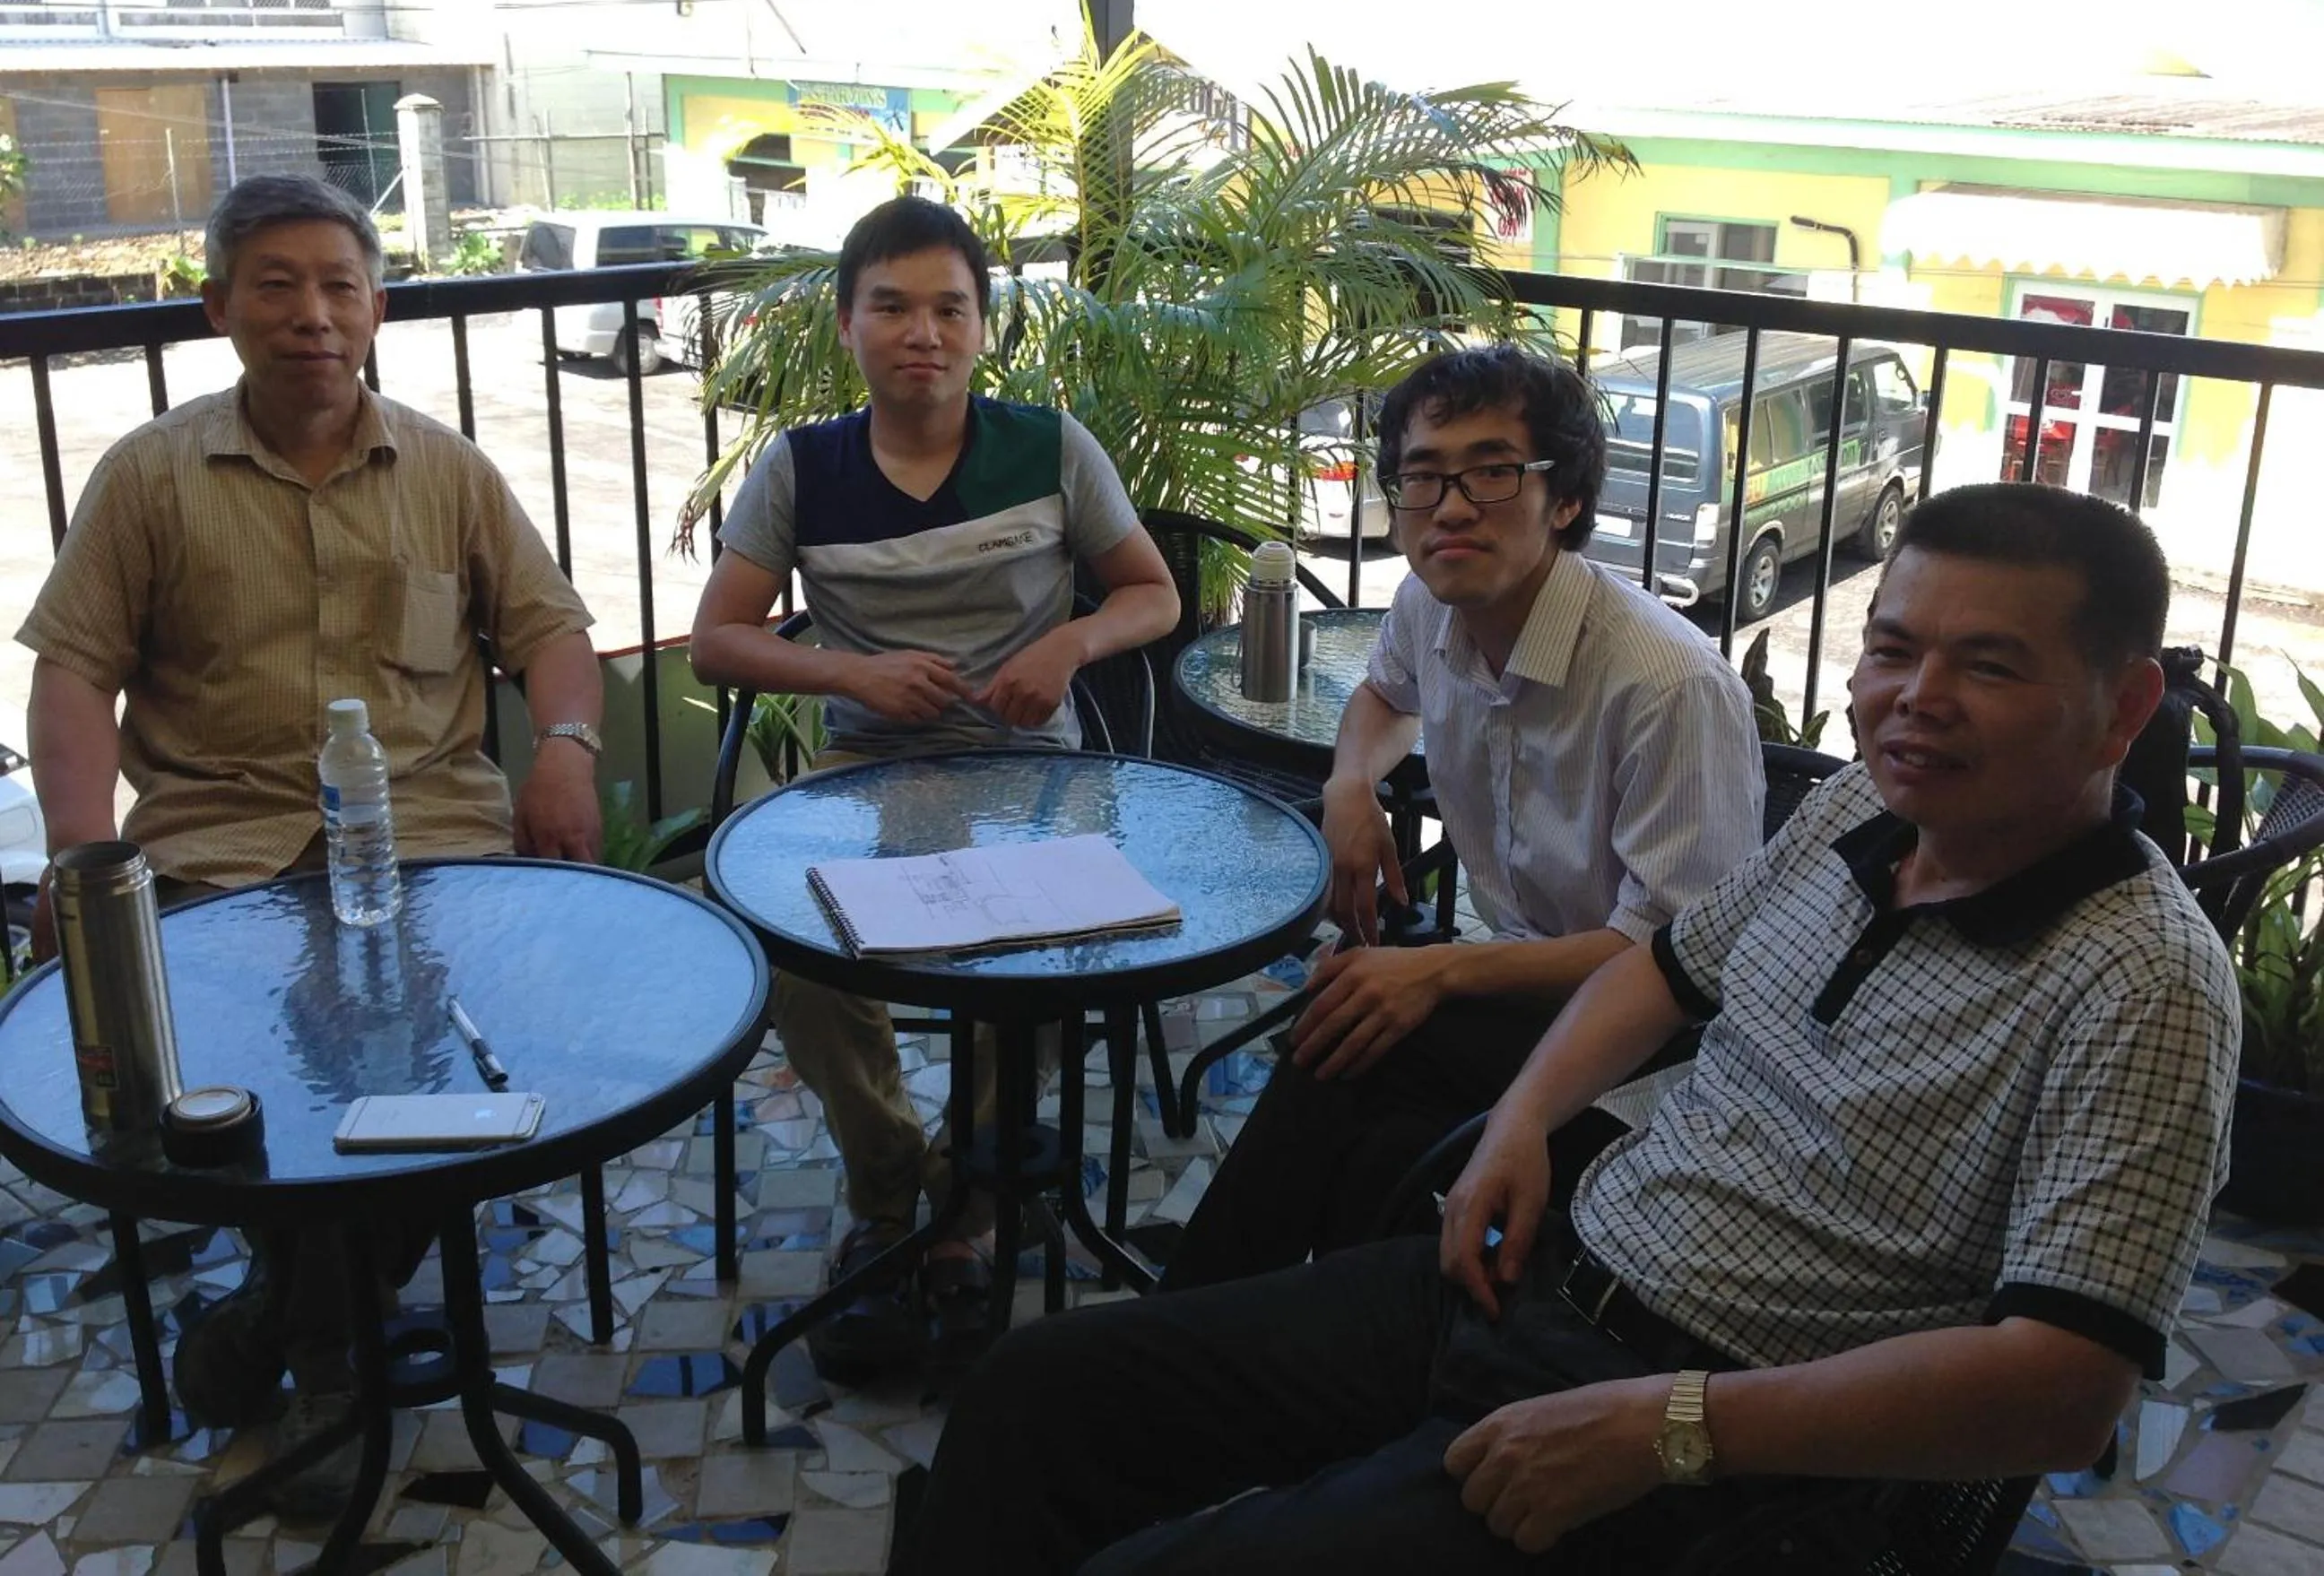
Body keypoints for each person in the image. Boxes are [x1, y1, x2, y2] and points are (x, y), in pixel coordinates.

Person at [889, 481, 2240, 1576]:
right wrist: (1523, 1124)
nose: (1915, 696)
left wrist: (1675, 1427)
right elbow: (1665, 969)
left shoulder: (2144, 981)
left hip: (1711, 1437)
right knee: (1035, 1392)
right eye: (1892, 648)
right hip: (1533, 1276)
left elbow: (2064, 1387)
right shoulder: (1858, 816)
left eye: (1987, 665)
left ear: (2123, 708)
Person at [16, 172, 603, 1513]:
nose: (312, 315)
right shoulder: (150, 475)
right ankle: (333, 1344)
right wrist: (76, 849)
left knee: (450, 1041)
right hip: (221, 854)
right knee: (300, 1062)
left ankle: (284, 1326)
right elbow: (73, 672)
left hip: (435, 844)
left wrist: (566, 748)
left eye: (340, 286)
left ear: (378, 308)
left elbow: (553, 633)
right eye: (275, 286)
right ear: (218, 306)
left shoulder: (447, 469)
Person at [689, 195, 1179, 1379]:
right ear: (846, 323)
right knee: (789, 942)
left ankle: (968, 1195)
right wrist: (849, 670)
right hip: (866, 771)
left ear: (982, 326)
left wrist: (1069, 644)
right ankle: (888, 1183)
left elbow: (1151, 593)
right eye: (893, 307)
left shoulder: (1050, 447)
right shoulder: (803, 467)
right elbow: (716, 640)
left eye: (950, 309)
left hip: (1030, 766)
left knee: (1063, 943)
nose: (923, 333)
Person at [1163, 344, 1761, 1289]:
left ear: (1564, 498)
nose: (1449, 507)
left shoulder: (1666, 684)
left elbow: (1674, 962)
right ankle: (1285, 1329)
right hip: (1533, 988)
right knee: (1370, 1125)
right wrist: (1350, 786)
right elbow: (1383, 695)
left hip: (1660, 1054)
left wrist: (1440, 970)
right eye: (1423, 477)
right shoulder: (1427, 604)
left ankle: (1205, 1314)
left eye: (1490, 473)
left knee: (1351, 1034)